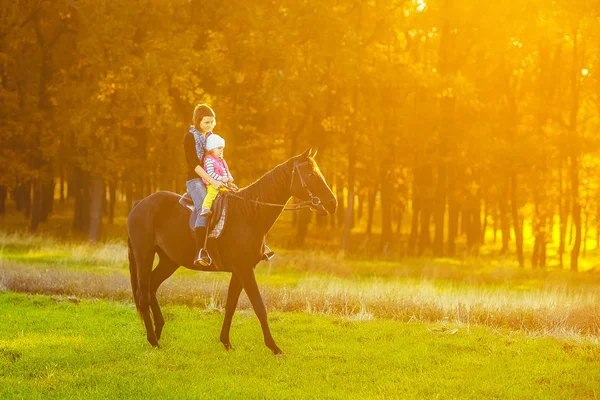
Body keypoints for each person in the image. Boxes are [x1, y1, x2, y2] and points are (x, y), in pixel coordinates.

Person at [183, 104, 222, 267]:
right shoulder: (190, 137)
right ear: (198, 121)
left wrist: (224, 178)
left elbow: (219, 159)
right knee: (203, 207)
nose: (209, 125)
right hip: (196, 179)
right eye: (206, 122)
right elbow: (194, 164)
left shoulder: (212, 137)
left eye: (212, 122)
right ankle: (200, 251)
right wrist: (212, 181)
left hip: (214, 177)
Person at [200, 134, 237, 216]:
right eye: (219, 148)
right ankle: (205, 208)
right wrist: (221, 178)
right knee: (212, 194)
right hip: (213, 184)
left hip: (224, 184)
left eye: (222, 149)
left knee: (232, 193)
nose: (221, 150)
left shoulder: (221, 160)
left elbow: (226, 170)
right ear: (211, 149)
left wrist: (229, 177)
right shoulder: (209, 160)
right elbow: (210, 173)